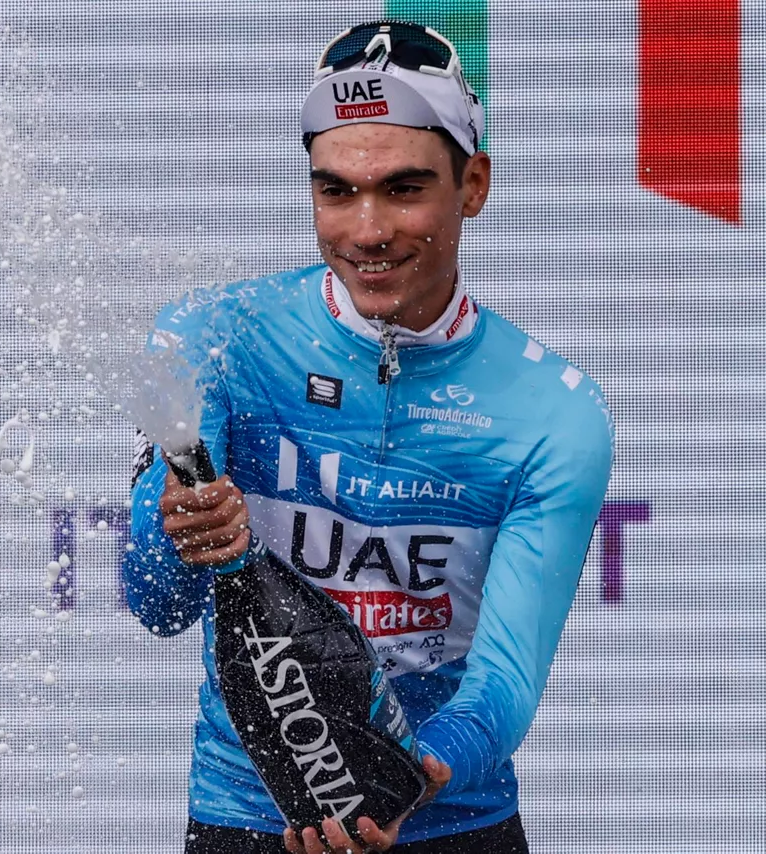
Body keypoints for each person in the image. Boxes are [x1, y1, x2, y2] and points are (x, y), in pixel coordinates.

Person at [123, 19, 614, 854]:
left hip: (451, 816)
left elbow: (502, 681)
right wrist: (175, 533)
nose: (368, 231)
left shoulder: (552, 410)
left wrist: (410, 777)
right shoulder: (214, 339)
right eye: (337, 191)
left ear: (475, 185)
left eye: (405, 188)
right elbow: (155, 605)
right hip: (251, 819)